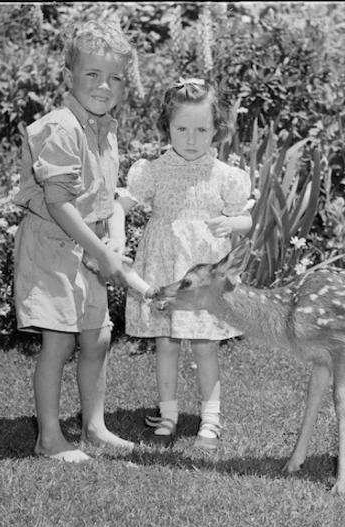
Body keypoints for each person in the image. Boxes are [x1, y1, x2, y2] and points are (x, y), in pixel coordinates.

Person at [13, 20, 156, 463]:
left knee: (96, 339)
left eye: (115, 77)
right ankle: (49, 438)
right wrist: (100, 252)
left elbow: (108, 199)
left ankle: (94, 426)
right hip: (54, 247)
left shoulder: (104, 128)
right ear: (70, 75)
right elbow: (59, 204)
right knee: (59, 341)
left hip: (87, 247)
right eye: (92, 74)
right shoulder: (61, 128)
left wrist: (112, 245)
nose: (104, 85)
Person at [117, 77, 252, 450]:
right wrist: (113, 218)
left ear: (216, 129)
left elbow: (246, 219)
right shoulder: (154, 171)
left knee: (205, 344)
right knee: (167, 343)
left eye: (201, 129)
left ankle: (210, 420)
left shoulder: (225, 176)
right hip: (165, 268)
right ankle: (169, 413)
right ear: (167, 126)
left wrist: (232, 223)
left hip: (201, 275)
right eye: (181, 129)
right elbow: (125, 201)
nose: (191, 139)